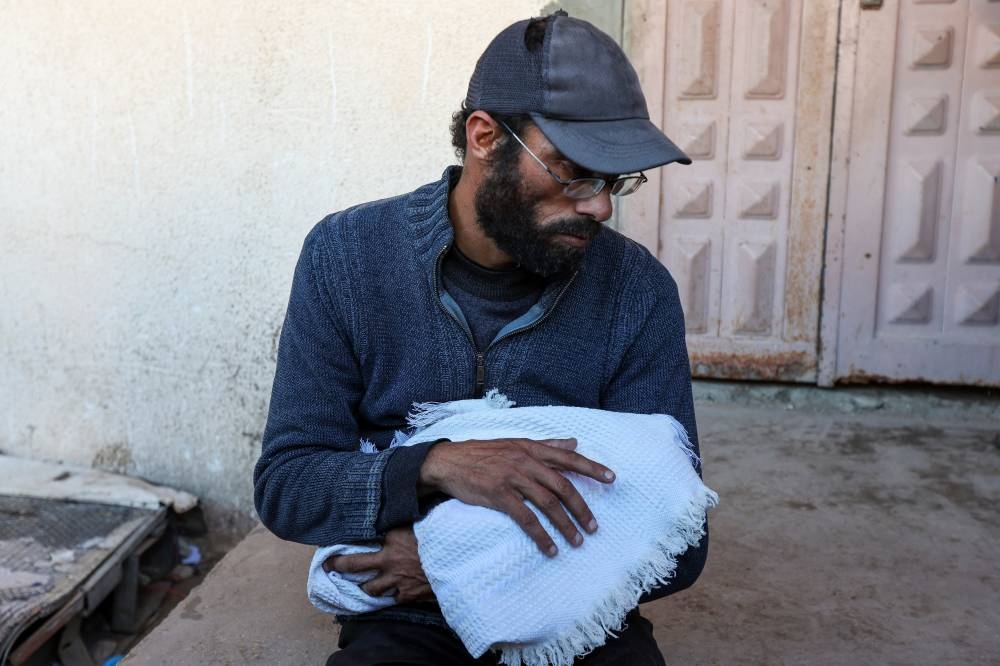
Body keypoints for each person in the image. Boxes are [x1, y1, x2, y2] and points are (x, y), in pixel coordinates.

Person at [254, 11, 708, 664]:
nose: (601, 205)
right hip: (406, 618)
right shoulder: (347, 258)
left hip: (575, 607)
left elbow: (682, 540)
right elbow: (289, 488)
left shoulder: (636, 290)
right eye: (574, 171)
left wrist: (448, 565)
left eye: (615, 181)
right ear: (485, 137)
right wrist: (435, 465)